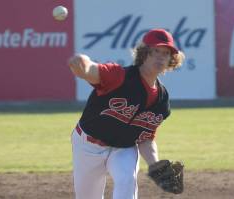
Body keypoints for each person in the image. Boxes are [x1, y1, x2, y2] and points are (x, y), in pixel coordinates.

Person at [68, 28, 185, 199]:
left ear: (171, 60)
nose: (161, 57)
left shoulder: (162, 101)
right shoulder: (119, 76)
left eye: (166, 53)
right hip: (88, 146)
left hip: (122, 149)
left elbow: (145, 137)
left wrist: (155, 164)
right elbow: (90, 71)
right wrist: (82, 64)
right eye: (155, 51)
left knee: (127, 181)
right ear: (144, 54)